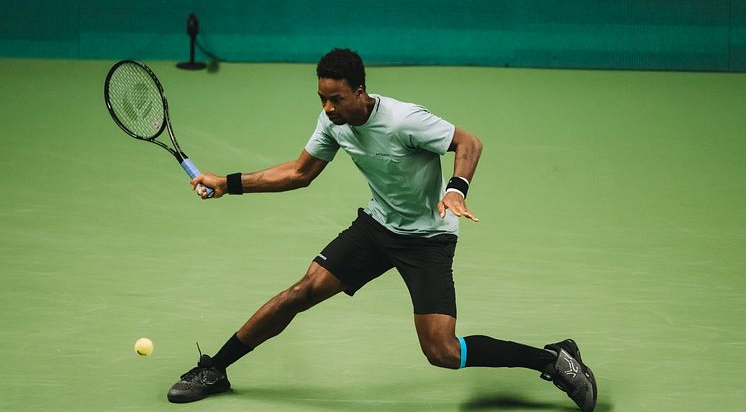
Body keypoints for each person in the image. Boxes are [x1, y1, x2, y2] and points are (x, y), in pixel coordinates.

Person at [166, 48, 597, 411]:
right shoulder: (333, 123)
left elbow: (470, 143)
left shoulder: (404, 120)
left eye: (335, 99)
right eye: (321, 98)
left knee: (442, 352)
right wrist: (228, 183)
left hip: (428, 238)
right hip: (377, 227)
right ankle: (215, 368)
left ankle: (551, 358)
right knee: (299, 293)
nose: (328, 108)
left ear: (359, 91)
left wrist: (457, 190)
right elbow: (299, 173)